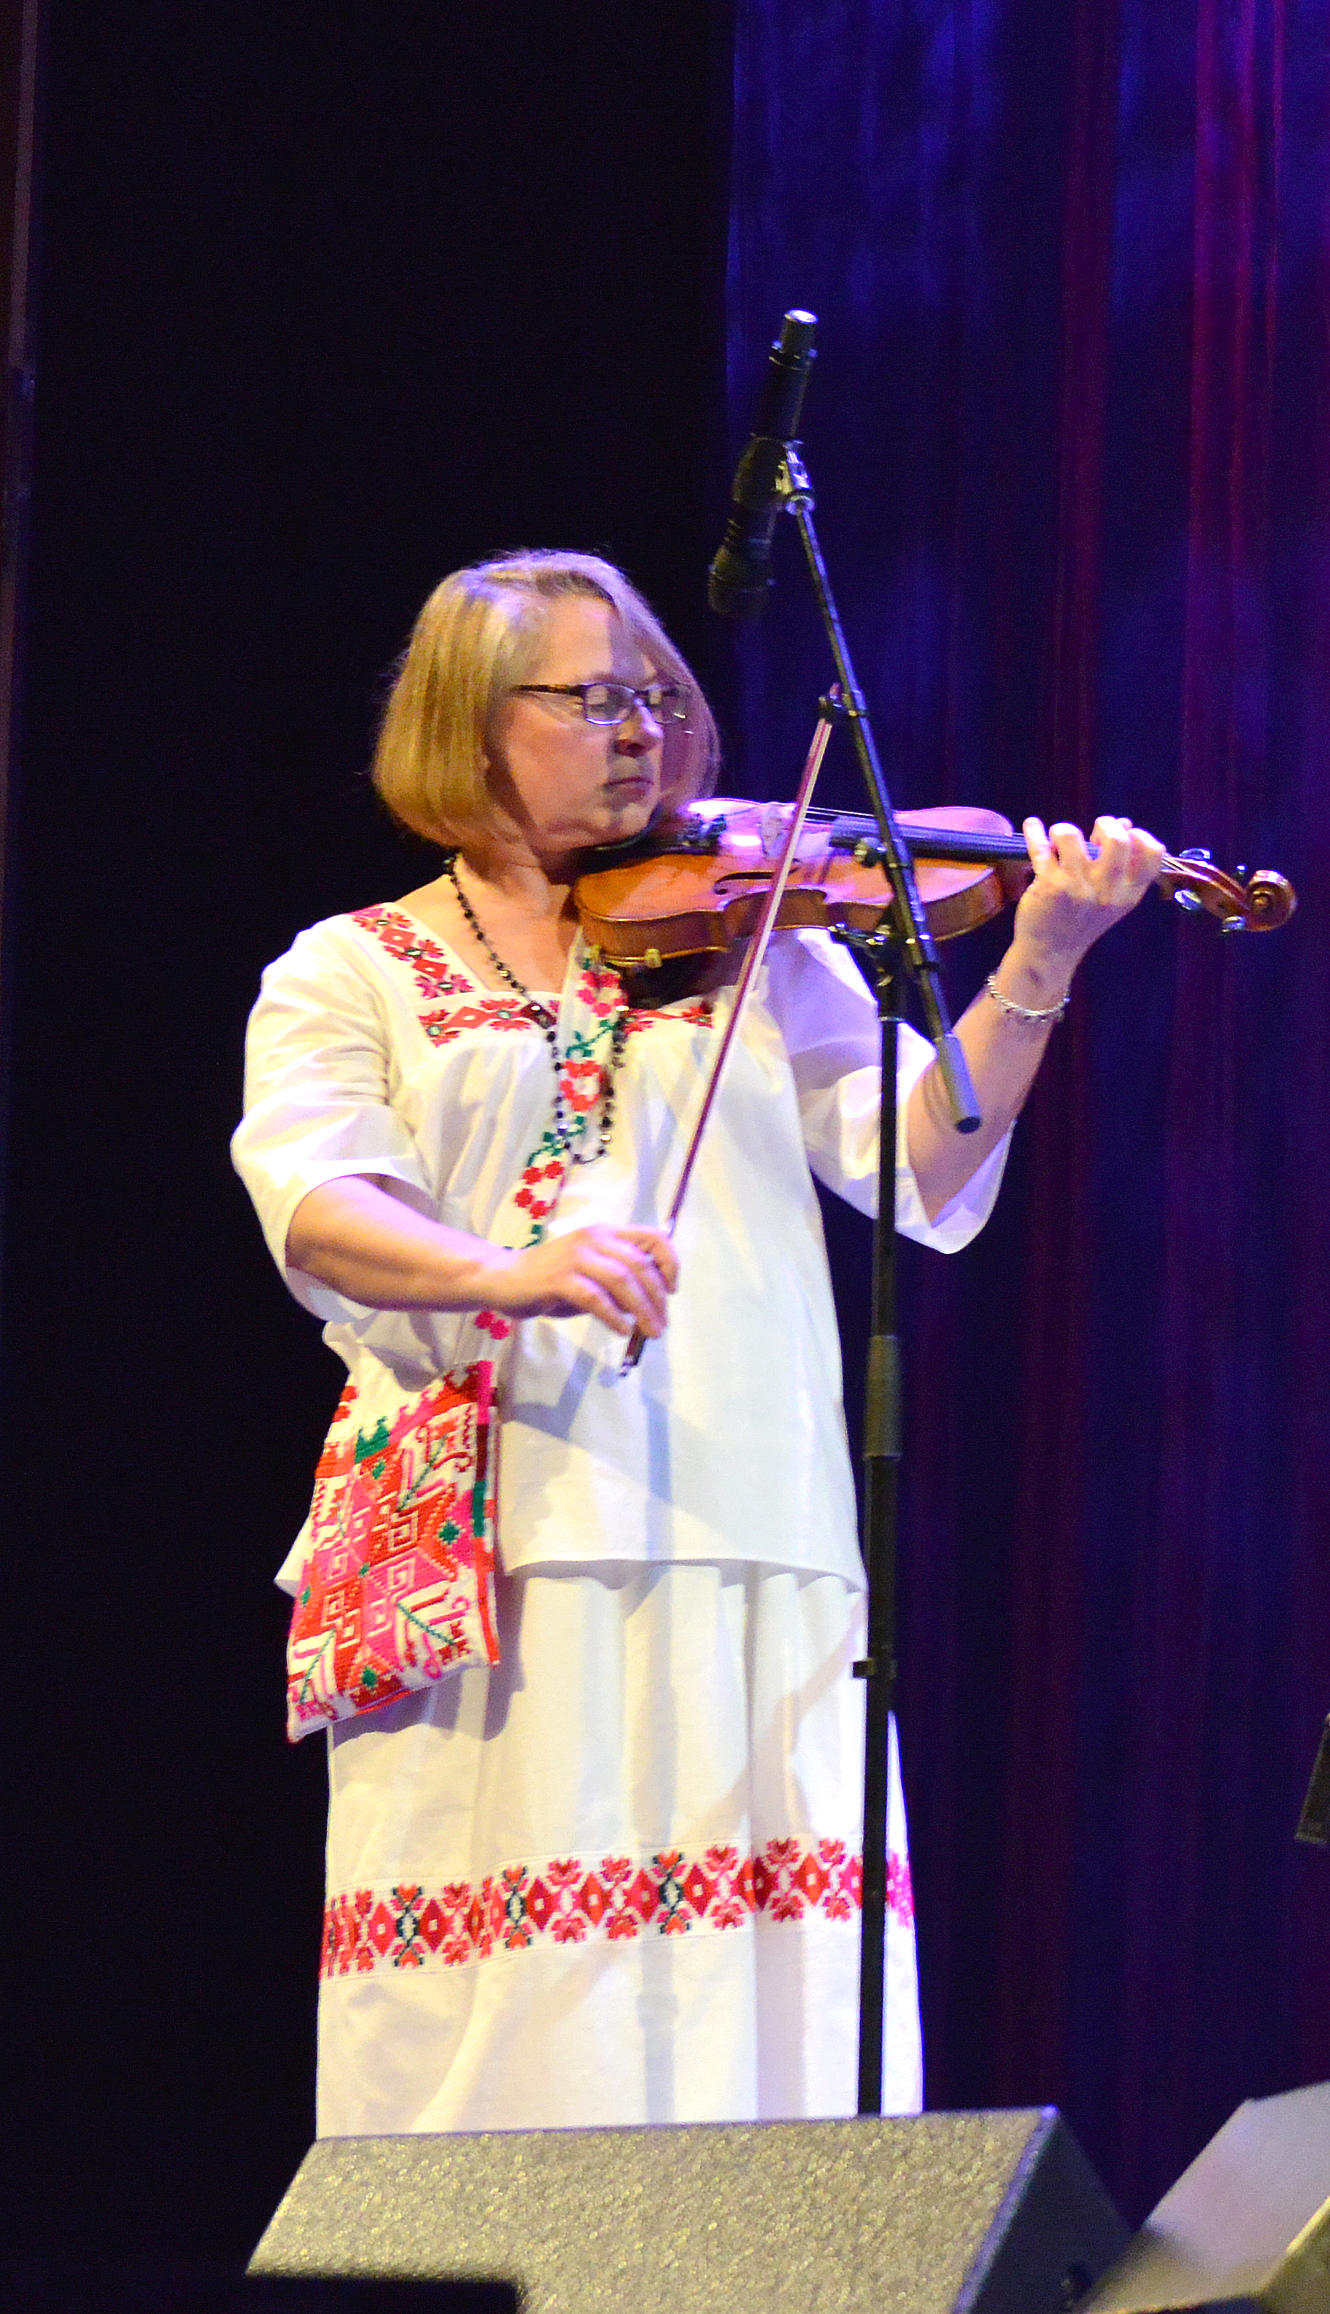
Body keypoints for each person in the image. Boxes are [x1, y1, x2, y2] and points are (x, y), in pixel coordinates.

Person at [234, 550, 1167, 2136]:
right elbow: (319, 1208)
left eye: (658, 698)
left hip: (760, 1522)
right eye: (590, 700)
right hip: (499, 1539)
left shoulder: (759, 946)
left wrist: (1037, 964)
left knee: (760, 2004)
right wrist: (513, 1269)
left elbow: (928, 1170)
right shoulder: (354, 969)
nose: (640, 733)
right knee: (507, 2017)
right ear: (468, 724)